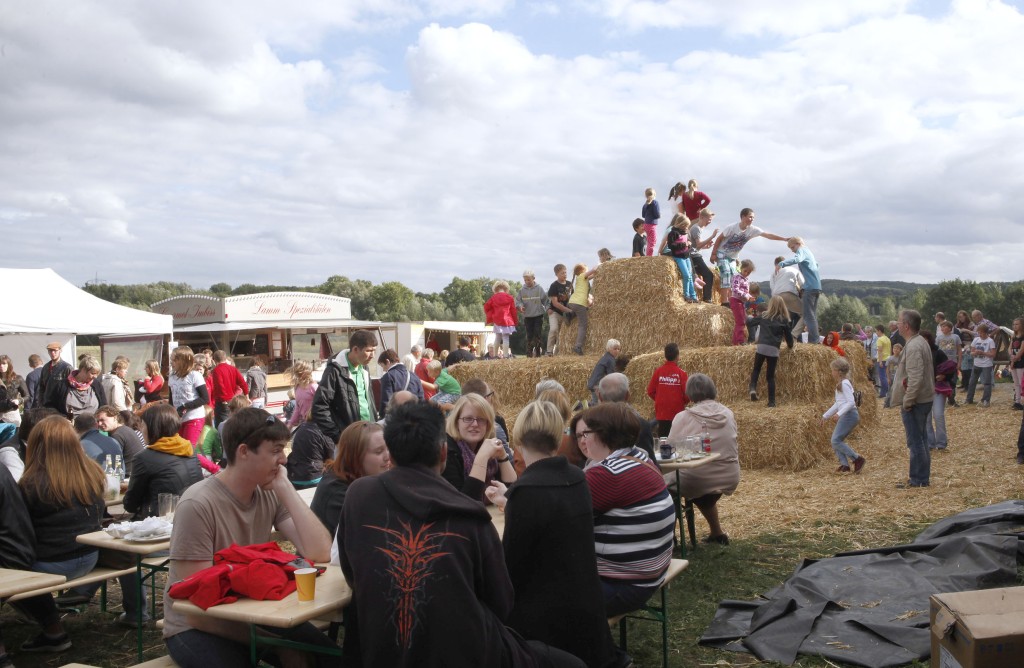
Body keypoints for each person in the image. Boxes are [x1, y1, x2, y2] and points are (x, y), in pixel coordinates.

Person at [339, 402, 585, 668]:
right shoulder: (471, 517)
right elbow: (501, 603)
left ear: (391, 452)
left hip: (380, 651)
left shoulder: (358, 495)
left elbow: (352, 572)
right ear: (444, 451)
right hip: (467, 654)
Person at [163, 408, 334, 667]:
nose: (284, 460)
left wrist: (287, 489)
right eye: (276, 451)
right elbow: (196, 610)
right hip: (197, 627)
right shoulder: (197, 504)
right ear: (244, 452)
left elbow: (319, 552)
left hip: (255, 613)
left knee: (332, 658)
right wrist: (275, 645)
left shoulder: (269, 491)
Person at [485, 401, 627, 668]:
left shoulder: (527, 491)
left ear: (518, 441)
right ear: (557, 438)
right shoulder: (577, 477)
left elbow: (510, 568)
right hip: (586, 605)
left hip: (546, 619)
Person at [570, 402, 673, 616]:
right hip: (650, 572)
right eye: (578, 436)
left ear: (605, 433)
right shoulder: (640, 457)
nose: (582, 441)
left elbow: (557, 518)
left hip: (624, 585)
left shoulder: (606, 474)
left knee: (535, 596)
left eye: (586, 434)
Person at [17, 416, 105, 653]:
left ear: (37, 446)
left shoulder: (31, 484)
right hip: (90, 557)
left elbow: (19, 531)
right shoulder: (93, 473)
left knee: (11, 568)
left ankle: (53, 630)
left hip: (51, 564)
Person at [666, 374, 740, 545]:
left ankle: (669, 537)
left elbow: (670, 448)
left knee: (665, 485)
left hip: (697, 478)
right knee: (703, 492)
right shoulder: (728, 413)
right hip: (729, 474)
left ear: (689, 393)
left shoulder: (683, 417)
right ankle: (717, 533)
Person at [309, 420, 389, 545]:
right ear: (355, 456)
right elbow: (373, 534)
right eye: (379, 451)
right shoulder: (338, 492)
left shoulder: (367, 479)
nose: (388, 456)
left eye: (389, 448)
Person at [441, 393, 517, 503]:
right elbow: (465, 502)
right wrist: (482, 457)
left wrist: (502, 457)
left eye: (481, 419)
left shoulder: (488, 444)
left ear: (488, 424)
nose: (475, 424)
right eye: (468, 419)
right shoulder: (448, 450)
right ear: (457, 422)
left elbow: (512, 492)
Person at [891, 309, 935, 489]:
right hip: (922, 399)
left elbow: (915, 378)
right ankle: (921, 478)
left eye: (899, 322)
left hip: (916, 402)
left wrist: (908, 401)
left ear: (906, 326)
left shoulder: (915, 346)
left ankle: (918, 480)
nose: (897, 324)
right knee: (921, 439)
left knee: (915, 441)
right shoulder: (918, 342)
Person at [311, 329, 379, 442]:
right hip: (350, 440)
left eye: (374, 350)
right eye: (369, 351)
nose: (373, 355)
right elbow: (319, 407)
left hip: (369, 435)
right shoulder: (334, 371)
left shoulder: (364, 368)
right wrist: (338, 436)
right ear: (355, 349)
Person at [709, 208, 788, 304]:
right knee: (726, 272)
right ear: (743, 217)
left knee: (734, 277)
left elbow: (768, 235)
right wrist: (713, 254)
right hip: (722, 253)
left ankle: (731, 300)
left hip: (733, 257)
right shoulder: (732, 228)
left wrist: (784, 239)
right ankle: (724, 301)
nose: (752, 219)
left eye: (753, 218)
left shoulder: (752, 230)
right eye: (750, 217)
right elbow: (719, 239)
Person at [596, 373, 657, 461]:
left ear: (599, 396)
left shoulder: (589, 425)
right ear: (628, 396)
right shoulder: (640, 425)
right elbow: (651, 462)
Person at [747, 295, 795, 407]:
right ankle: (772, 402)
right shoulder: (783, 320)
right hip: (773, 349)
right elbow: (789, 339)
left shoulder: (764, 315)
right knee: (770, 376)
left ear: (770, 305)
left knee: (756, 369)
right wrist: (790, 346)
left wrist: (749, 316)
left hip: (761, 346)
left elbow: (750, 323)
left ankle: (752, 388)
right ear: (782, 306)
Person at [822, 358, 865, 474]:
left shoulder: (845, 384)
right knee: (836, 440)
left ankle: (857, 459)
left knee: (835, 440)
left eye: (833, 370)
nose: (832, 372)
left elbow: (851, 402)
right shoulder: (842, 384)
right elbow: (838, 403)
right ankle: (844, 465)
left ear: (839, 372)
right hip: (848, 415)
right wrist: (825, 416)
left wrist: (839, 413)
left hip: (849, 415)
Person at [776, 236, 822, 344]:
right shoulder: (809, 252)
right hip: (817, 287)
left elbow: (797, 259)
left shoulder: (802, 250)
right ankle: (814, 340)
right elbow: (816, 265)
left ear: (798, 243)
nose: (792, 250)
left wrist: (782, 263)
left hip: (809, 288)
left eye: (792, 247)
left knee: (808, 316)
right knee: (812, 316)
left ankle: (814, 341)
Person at [167, 346, 210, 446]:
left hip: (194, 417)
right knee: (180, 449)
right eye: (171, 360)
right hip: (179, 419)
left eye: (174, 360)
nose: (171, 362)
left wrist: (185, 406)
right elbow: (171, 400)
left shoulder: (194, 375)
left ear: (183, 361)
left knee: (189, 449)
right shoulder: (172, 377)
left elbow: (205, 398)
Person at [921, 331, 955, 451]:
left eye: (925, 339)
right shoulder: (916, 353)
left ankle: (941, 442)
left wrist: (945, 376)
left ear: (929, 340)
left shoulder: (938, 353)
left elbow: (950, 368)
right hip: (923, 389)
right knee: (926, 418)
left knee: (938, 414)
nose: (924, 342)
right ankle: (930, 443)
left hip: (938, 387)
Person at [646, 343, 689, 437]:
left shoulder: (658, 371)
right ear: (677, 357)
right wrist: (681, 402)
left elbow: (650, 391)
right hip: (677, 412)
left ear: (665, 356)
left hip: (662, 412)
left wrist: (660, 399)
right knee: (677, 439)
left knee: (663, 438)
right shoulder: (681, 373)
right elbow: (687, 395)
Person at [286, 411, 337, 490]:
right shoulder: (324, 430)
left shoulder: (301, 428)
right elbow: (331, 456)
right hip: (314, 477)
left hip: (294, 475)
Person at [95, 405, 145, 474]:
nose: (100, 424)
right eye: (98, 421)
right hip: (138, 471)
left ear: (115, 418)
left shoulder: (117, 435)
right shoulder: (125, 429)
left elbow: (112, 462)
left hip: (129, 474)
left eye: (102, 420)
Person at [377, 349, 423, 416]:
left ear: (387, 361)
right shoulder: (414, 376)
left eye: (383, 366)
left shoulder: (388, 376)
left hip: (397, 418)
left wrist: (382, 417)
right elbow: (421, 400)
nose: (384, 369)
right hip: (413, 417)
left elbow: (386, 401)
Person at [664, 213, 698, 302]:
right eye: (685, 226)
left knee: (690, 276)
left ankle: (693, 296)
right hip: (679, 257)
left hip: (686, 256)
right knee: (686, 275)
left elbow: (687, 243)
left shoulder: (685, 233)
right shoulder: (673, 233)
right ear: (681, 224)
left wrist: (689, 244)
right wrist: (684, 244)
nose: (687, 228)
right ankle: (686, 295)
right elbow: (671, 245)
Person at [209, 350, 249, 426]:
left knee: (221, 425)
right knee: (234, 423)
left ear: (214, 360)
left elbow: (220, 386)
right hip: (233, 400)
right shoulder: (233, 369)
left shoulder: (217, 370)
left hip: (222, 402)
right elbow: (243, 383)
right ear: (225, 358)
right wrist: (247, 396)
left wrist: (224, 400)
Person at [516, 269, 550, 358]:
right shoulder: (522, 290)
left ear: (533, 278)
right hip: (527, 316)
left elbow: (545, 301)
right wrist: (520, 306)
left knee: (537, 334)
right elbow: (518, 301)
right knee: (529, 335)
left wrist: (548, 309)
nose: (527, 282)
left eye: (529, 280)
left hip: (538, 315)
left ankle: (538, 354)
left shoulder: (539, 289)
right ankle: (529, 355)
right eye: (525, 280)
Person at [688, 209, 719, 303]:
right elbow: (698, 245)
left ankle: (705, 298)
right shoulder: (696, 228)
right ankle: (707, 299)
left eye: (711, 220)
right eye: (708, 219)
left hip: (694, 254)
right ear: (701, 217)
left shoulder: (699, 228)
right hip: (693, 256)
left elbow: (696, 246)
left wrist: (706, 246)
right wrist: (712, 236)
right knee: (708, 275)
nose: (710, 222)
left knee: (707, 274)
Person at [485, 280, 518, 359]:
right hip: (507, 321)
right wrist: (515, 321)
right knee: (506, 338)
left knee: (497, 338)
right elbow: (513, 310)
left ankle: (495, 355)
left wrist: (491, 315)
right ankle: (506, 356)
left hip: (497, 320)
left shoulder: (493, 298)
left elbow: (486, 307)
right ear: (506, 288)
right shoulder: (510, 298)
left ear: (495, 289)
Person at [35, 342, 73, 411]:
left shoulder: (67, 368)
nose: (52, 353)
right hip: (46, 406)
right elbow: (41, 388)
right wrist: (40, 404)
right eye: (50, 351)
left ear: (60, 350)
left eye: (55, 350)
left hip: (61, 406)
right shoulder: (45, 367)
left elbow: (72, 389)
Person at [546, 264, 574, 355]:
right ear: (556, 274)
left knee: (561, 334)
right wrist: (568, 310)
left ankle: (557, 353)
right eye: (562, 273)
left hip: (566, 314)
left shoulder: (570, 284)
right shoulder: (554, 285)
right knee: (554, 329)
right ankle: (549, 351)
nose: (564, 274)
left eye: (565, 272)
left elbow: (573, 298)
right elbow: (555, 303)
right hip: (555, 312)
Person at [966, 323, 996, 406]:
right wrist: (974, 353)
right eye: (979, 332)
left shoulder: (990, 341)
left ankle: (986, 400)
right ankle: (969, 399)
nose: (980, 334)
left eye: (981, 332)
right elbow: (971, 352)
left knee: (987, 383)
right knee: (972, 382)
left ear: (986, 332)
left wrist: (983, 353)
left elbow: (993, 354)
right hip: (976, 364)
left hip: (987, 364)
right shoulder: (976, 340)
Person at [567, 263, 593, 355]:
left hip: (572, 302)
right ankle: (578, 346)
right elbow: (594, 270)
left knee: (583, 310)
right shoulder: (582, 276)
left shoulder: (580, 278)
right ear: (583, 271)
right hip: (579, 303)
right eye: (586, 269)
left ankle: (570, 314)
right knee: (583, 325)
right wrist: (602, 265)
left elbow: (593, 275)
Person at [729, 259, 755, 346]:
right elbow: (735, 289)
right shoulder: (737, 277)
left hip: (741, 301)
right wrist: (745, 295)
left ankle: (736, 342)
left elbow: (745, 292)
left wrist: (749, 297)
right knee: (740, 322)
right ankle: (740, 341)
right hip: (736, 301)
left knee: (741, 321)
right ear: (741, 268)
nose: (746, 273)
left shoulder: (746, 279)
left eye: (749, 272)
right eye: (745, 271)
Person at [935, 320, 962, 406]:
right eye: (941, 327)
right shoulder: (938, 338)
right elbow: (935, 351)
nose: (942, 328)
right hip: (942, 364)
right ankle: (941, 399)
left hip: (952, 362)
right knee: (941, 381)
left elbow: (959, 350)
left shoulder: (956, 337)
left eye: (944, 326)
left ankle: (951, 399)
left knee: (953, 381)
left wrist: (959, 362)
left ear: (950, 328)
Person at [286, 359, 318, 430]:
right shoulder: (297, 388)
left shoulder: (313, 387)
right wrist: (290, 424)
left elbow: (321, 405)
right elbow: (298, 408)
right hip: (304, 422)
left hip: (315, 422)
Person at [587, 339, 621, 405]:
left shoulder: (607, 357)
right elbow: (611, 375)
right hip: (597, 385)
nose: (617, 351)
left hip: (594, 383)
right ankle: (583, 406)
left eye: (618, 349)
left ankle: (586, 405)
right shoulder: (610, 360)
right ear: (609, 349)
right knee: (597, 404)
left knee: (596, 403)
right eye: (615, 349)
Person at [0, 355, 29, 425]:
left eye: (4, 363)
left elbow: (27, 396)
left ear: (9, 365)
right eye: (0, 364)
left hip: (12, 414)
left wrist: (18, 401)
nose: (1, 366)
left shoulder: (17, 379)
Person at [1009, 318, 1024, 410]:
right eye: (1014, 324)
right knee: (1016, 383)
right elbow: (1009, 348)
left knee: (1022, 382)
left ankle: (1022, 400)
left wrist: (1015, 358)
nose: (1014, 326)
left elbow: (1022, 350)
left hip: (1021, 362)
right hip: (1014, 361)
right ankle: (1017, 402)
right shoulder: (1013, 336)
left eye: (1017, 324)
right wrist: (1011, 356)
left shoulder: (1023, 337)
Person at [641, 186, 660, 257]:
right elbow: (657, 214)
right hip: (652, 224)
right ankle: (649, 256)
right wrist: (658, 215)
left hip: (646, 224)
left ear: (646, 196)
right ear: (654, 194)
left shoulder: (645, 204)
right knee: (653, 241)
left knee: (649, 241)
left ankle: (648, 255)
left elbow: (643, 215)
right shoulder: (655, 203)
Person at [876, 324, 892, 399]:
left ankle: (884, 393)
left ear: (879, 331)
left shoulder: (880, 339)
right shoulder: (887, 339)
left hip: (882, 359)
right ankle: (887, 392)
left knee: (882, 377)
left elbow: (880, 350)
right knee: (886, 375)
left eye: (876, 331)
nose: (876, 333)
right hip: (888, 358)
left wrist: (880, 361)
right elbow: (890, 349)